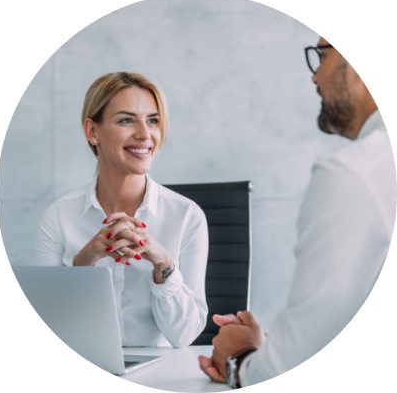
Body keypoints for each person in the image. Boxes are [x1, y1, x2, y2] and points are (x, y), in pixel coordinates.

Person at [198, 37, 396, 388]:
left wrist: (239, 356)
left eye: (321, 56)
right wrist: (278, 347)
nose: (315, 77)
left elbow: (281, 376)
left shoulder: (353, 173)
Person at [35, 71, 209, 348]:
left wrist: (163, 264)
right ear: (93, 132)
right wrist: (82, 264)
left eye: (153, 120)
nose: (144, 134)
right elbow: (46, 331)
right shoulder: (58, 217)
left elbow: (185, 336)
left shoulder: (187, 216)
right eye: (127, 120)